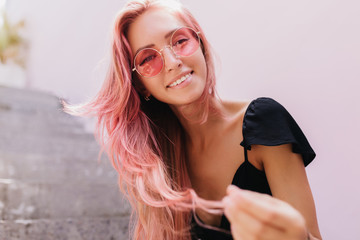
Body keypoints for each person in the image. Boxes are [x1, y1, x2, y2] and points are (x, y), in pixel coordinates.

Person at [65, 0, 322, 239]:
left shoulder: (263, 122)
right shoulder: (157, 164)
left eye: (179, 41)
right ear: (140, 85)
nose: (173, 62)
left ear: (199, 42)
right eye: (148, 58)